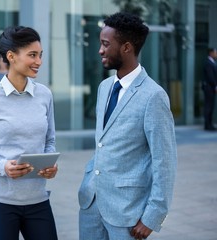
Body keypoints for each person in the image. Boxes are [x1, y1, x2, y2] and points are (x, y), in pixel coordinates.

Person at [78, 12, 177, 240]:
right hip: (91, 203)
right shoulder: (104, 87)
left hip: (128, 212)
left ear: (126, 48)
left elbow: (165, 161)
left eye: (105, 44)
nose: (100, 50)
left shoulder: (154, 96)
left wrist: (153, 216)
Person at [0, 26, 58, 240]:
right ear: (11, 56)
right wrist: (1, 167)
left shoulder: (44, 95)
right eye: (32, 55)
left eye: (40, 55)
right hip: (0, 203)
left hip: (38, 201)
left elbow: (49, 140)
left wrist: (49, 164)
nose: (39, 61)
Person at [202, 47, 217, 131]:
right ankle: (207, 125)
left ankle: (210, 124)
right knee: (208, 106)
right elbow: (210, 76)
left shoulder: (212, 62)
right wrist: (215, 86)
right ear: (211, 53)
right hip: (209, 88)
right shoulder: (208, 63)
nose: (216, 54)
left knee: (211, 106)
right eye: (215, 53)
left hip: (211, 88)